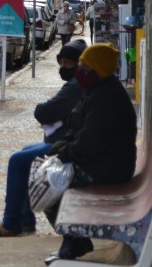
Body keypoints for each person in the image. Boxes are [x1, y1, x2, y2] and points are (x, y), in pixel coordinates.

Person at [0, 39, 87, 238]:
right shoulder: (81, 82)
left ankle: (11, 223)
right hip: (76, 142)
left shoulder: (76, 85)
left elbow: (45, 112)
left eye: (68, 63)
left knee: (17, 160)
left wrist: (42, 109)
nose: (63, 67)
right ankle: (26, 220)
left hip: (74, 147)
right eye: (60, 63)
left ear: (79, 63)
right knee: (27, 150)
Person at [43, 43, 137, 262]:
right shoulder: (96, 91)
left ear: (100, 70)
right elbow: (76, 129)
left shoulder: (106, 98)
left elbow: (87, 144)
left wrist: (62, 155)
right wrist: (59, 150)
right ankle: (74, 240)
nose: (80, 72)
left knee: (52, 183)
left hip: (109, 168)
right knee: (50, 177)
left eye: (86, 68)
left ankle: (73, 241)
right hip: (101, 162)